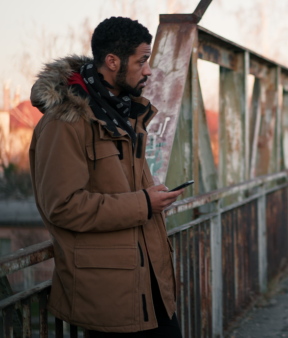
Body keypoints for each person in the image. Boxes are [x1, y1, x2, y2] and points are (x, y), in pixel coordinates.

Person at [29, 17, 185, 337]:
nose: (148, 70)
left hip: (149, 281)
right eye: (142, 61)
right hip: (111, 294)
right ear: (113, 62)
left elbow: (121, 188)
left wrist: (152, 195)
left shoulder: (125, 111)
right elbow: (63, 205)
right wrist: (144, 203)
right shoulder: (65, 122)